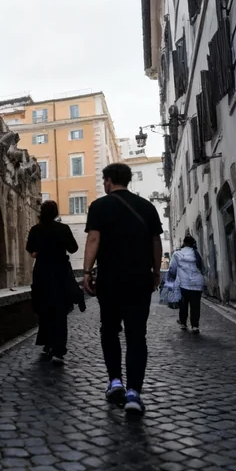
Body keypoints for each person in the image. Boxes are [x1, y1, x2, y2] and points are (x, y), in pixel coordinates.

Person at [82, 163, 163, 414]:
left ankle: (115, 380)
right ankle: (133, 393)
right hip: (139, 278)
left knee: (109, 330)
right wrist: (156, 272)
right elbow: (156, 243)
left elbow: (94, 239)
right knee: (137, 335)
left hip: (110, 279)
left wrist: (87, 271)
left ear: (108, 181)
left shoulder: (99, 206)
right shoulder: (147, 207)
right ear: (127, 180)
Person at [27, 200, 84, 364]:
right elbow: (73, 248)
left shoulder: (36, 229)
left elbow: (31, 251)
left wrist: (41, 251)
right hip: (59, 273)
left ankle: (47, 343)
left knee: (44, 309)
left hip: (42, 273)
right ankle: (59, 349)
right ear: (56, 213)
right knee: (60, 311)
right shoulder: (63, 229)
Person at [169, 235, 206, 333]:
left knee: (183, 304)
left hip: (183, 284)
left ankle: (183, 323)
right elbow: (203, 268)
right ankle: (195, 325)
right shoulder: (197, 254)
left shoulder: (177, 254)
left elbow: (172, 269)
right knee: (195, 305)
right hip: (197, 284)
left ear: (184, 243)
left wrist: (171, 280)